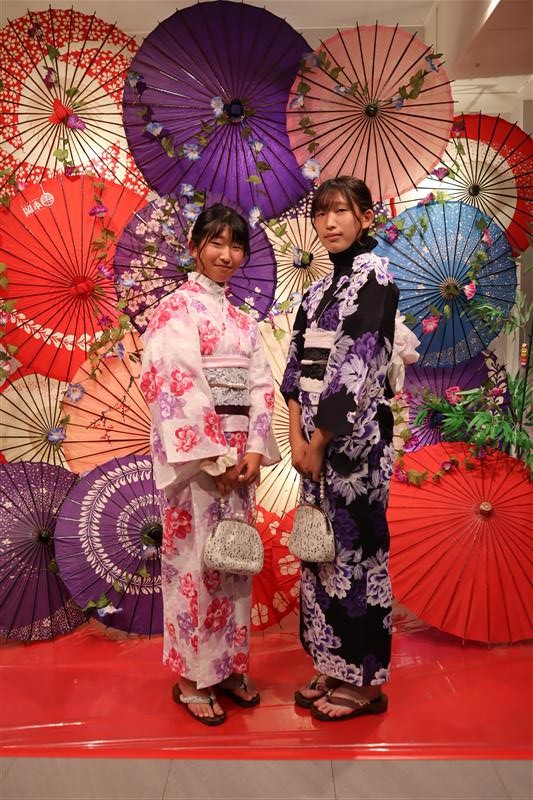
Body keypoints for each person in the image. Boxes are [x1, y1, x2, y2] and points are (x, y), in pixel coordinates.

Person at [141, 204, 279, 726]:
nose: (226, 255)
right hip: (198, 463)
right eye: (216, 243)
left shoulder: (243, 321)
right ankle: (189, 677)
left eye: (236, 245)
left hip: (237, 462)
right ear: (195, 245)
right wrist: (213, 457)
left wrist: (253, 450)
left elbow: (260, 385)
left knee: (232, 562)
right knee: (193, 567)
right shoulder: (174, 310)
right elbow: (176, 385)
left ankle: (227, 665)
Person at [281, 176, 401, 721]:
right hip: (313, 442)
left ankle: (366, 682)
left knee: (358, 554)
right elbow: (294, 367)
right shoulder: (315, 291)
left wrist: (320, 439)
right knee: (321, 552)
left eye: (342, 212)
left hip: (354, 447)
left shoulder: (375, 276)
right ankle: (334, 663)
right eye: (322, 213)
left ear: (366, 218)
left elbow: (358, 360)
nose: (330, 223)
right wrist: (296, 435)